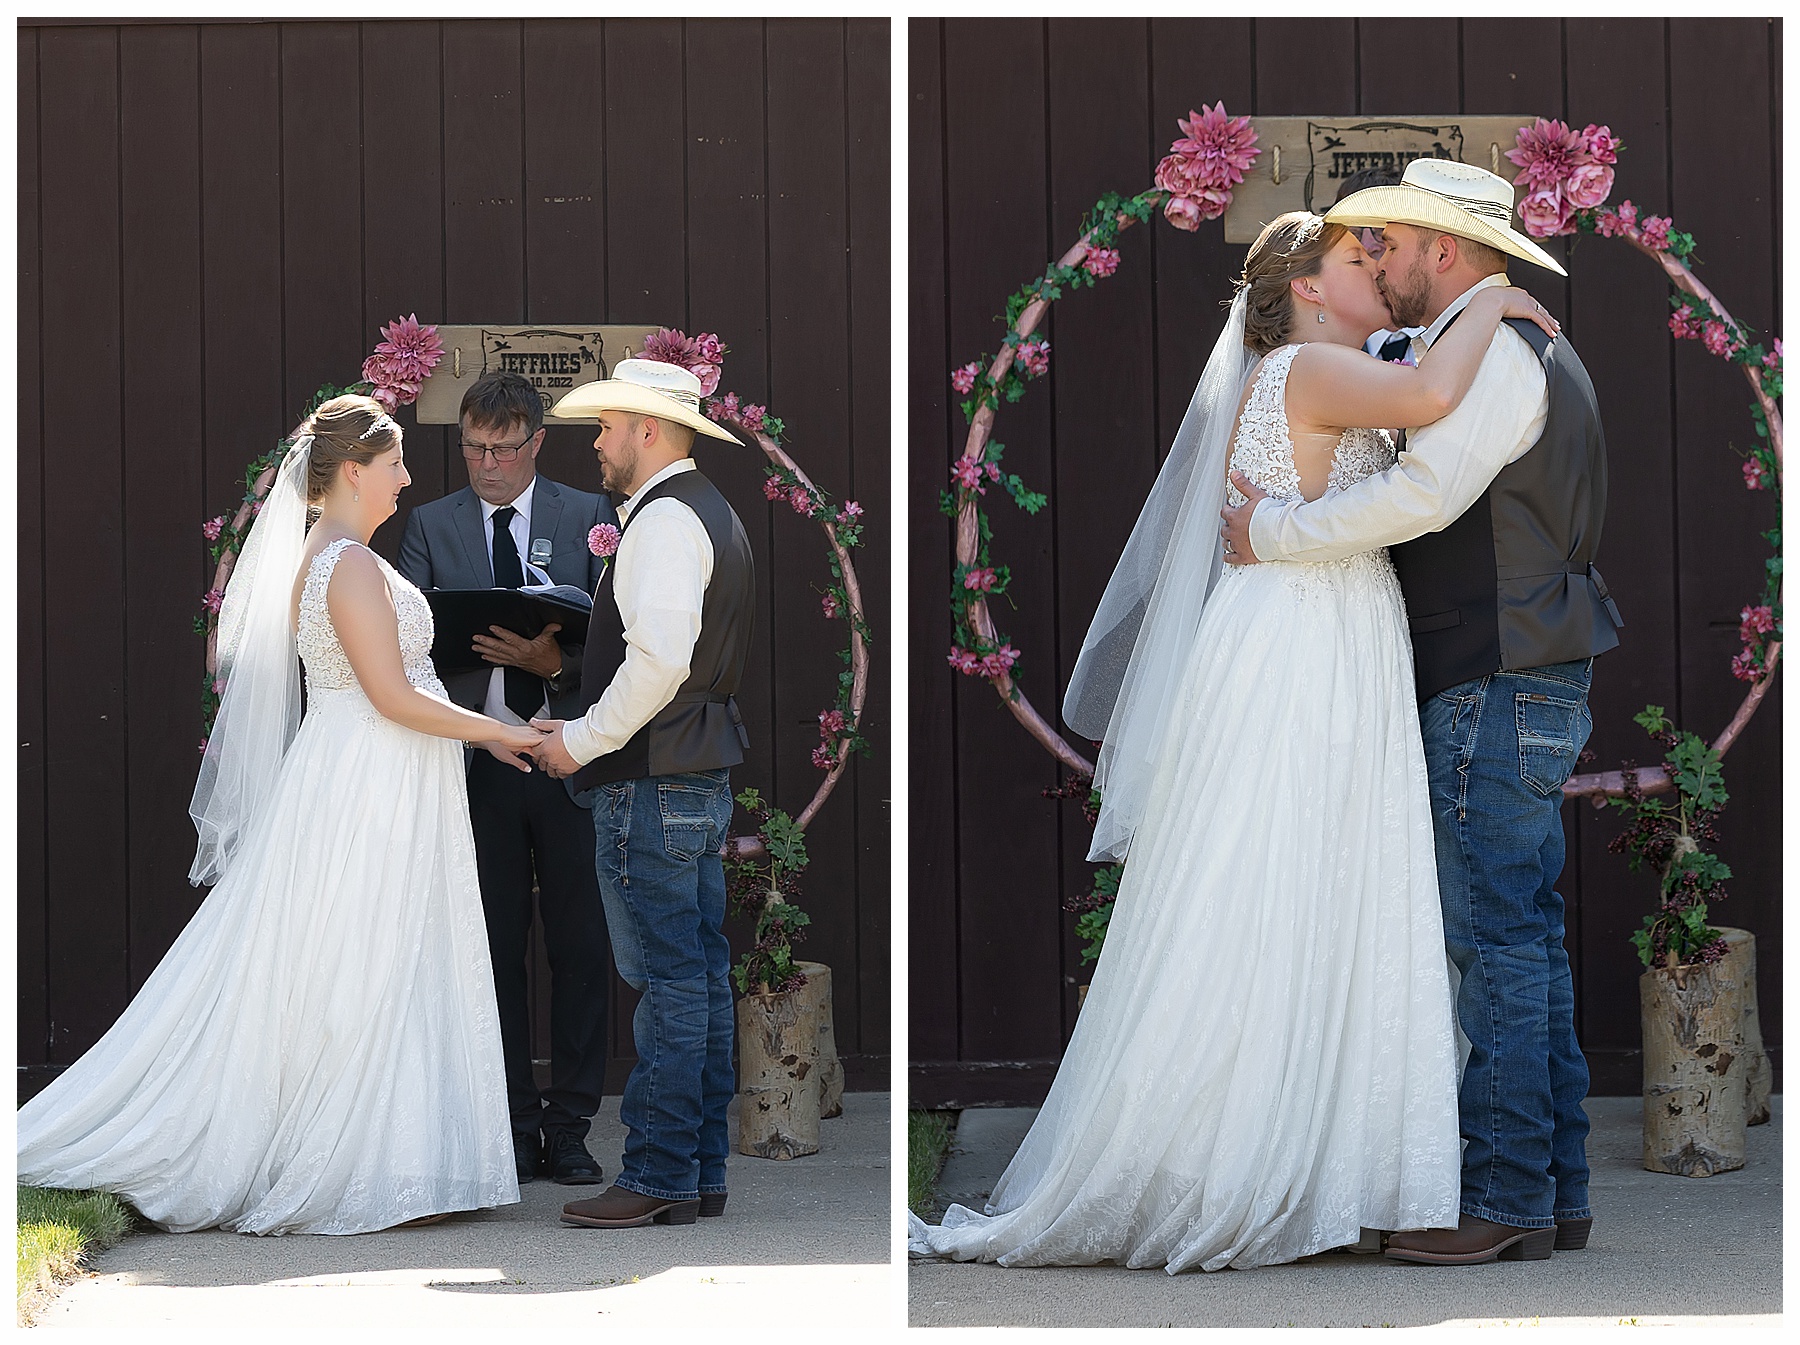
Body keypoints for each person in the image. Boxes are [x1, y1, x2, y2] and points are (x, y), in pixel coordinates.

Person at [909, 210, 1560, 1272]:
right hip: (1300, 642)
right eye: (1357, 259)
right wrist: (1495, 295)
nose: (1376, 270)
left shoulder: (1328, 362)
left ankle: (1330, 1163)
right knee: (1274, 883)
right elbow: (1436, 395)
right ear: (1306, 288)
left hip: (1331, 627)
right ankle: (1237, 1158)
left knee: (1332, 890)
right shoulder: (1305, 368)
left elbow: (1413, 389)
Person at [1223, 158, 1623, 1265]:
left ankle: (1500, 1198)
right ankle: (1554, 1194)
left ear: (1443, 249)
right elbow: (1406, 391)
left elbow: (1422, 496)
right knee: (1524, 938)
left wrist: (1274, 536)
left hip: (1497, 679)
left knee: (1494, 943)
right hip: (1530, 673)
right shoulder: (1496, 340)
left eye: (1388, 245)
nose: (1382, 266)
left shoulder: (1494, 348)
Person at [16, 395, 537, 1234]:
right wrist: (498, 731)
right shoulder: (347, 565)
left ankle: (395, 1150)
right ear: (354, 471)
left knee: (375, 955)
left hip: (378, 775)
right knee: (360, 955)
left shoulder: (333, 555)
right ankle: (350, 1154)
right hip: (366, 784)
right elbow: (391, 695)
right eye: (395, 462)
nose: (407, 478)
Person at [528, 358, 754, 1230]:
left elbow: (658, 662)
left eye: (607, 426)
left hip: (653, 784)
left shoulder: (663, 522)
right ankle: (694, 1173)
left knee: (670, 982)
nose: (598, 442)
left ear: (648, 430)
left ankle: (659, 1172)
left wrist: (578, 740)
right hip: (690, 775)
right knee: (695, 975)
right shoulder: (709, 512)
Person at [399, 372, 616, 1188]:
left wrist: (553, 664)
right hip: (476, 764)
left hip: (566, 754)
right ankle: (513, 1121)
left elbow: (619, 648)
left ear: (536, 445)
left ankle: (570, 1124)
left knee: (580, 947)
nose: (485, 464)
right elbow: (410, 645)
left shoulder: (590, 516)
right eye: (472, 448)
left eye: (501, 449)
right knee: (490, 948)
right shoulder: (429, 524)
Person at [1333, 164, 1423, 362]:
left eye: (1382, 233)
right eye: (1354, 233)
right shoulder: (1328, 345)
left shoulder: (1453, 333)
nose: (1367, 245)